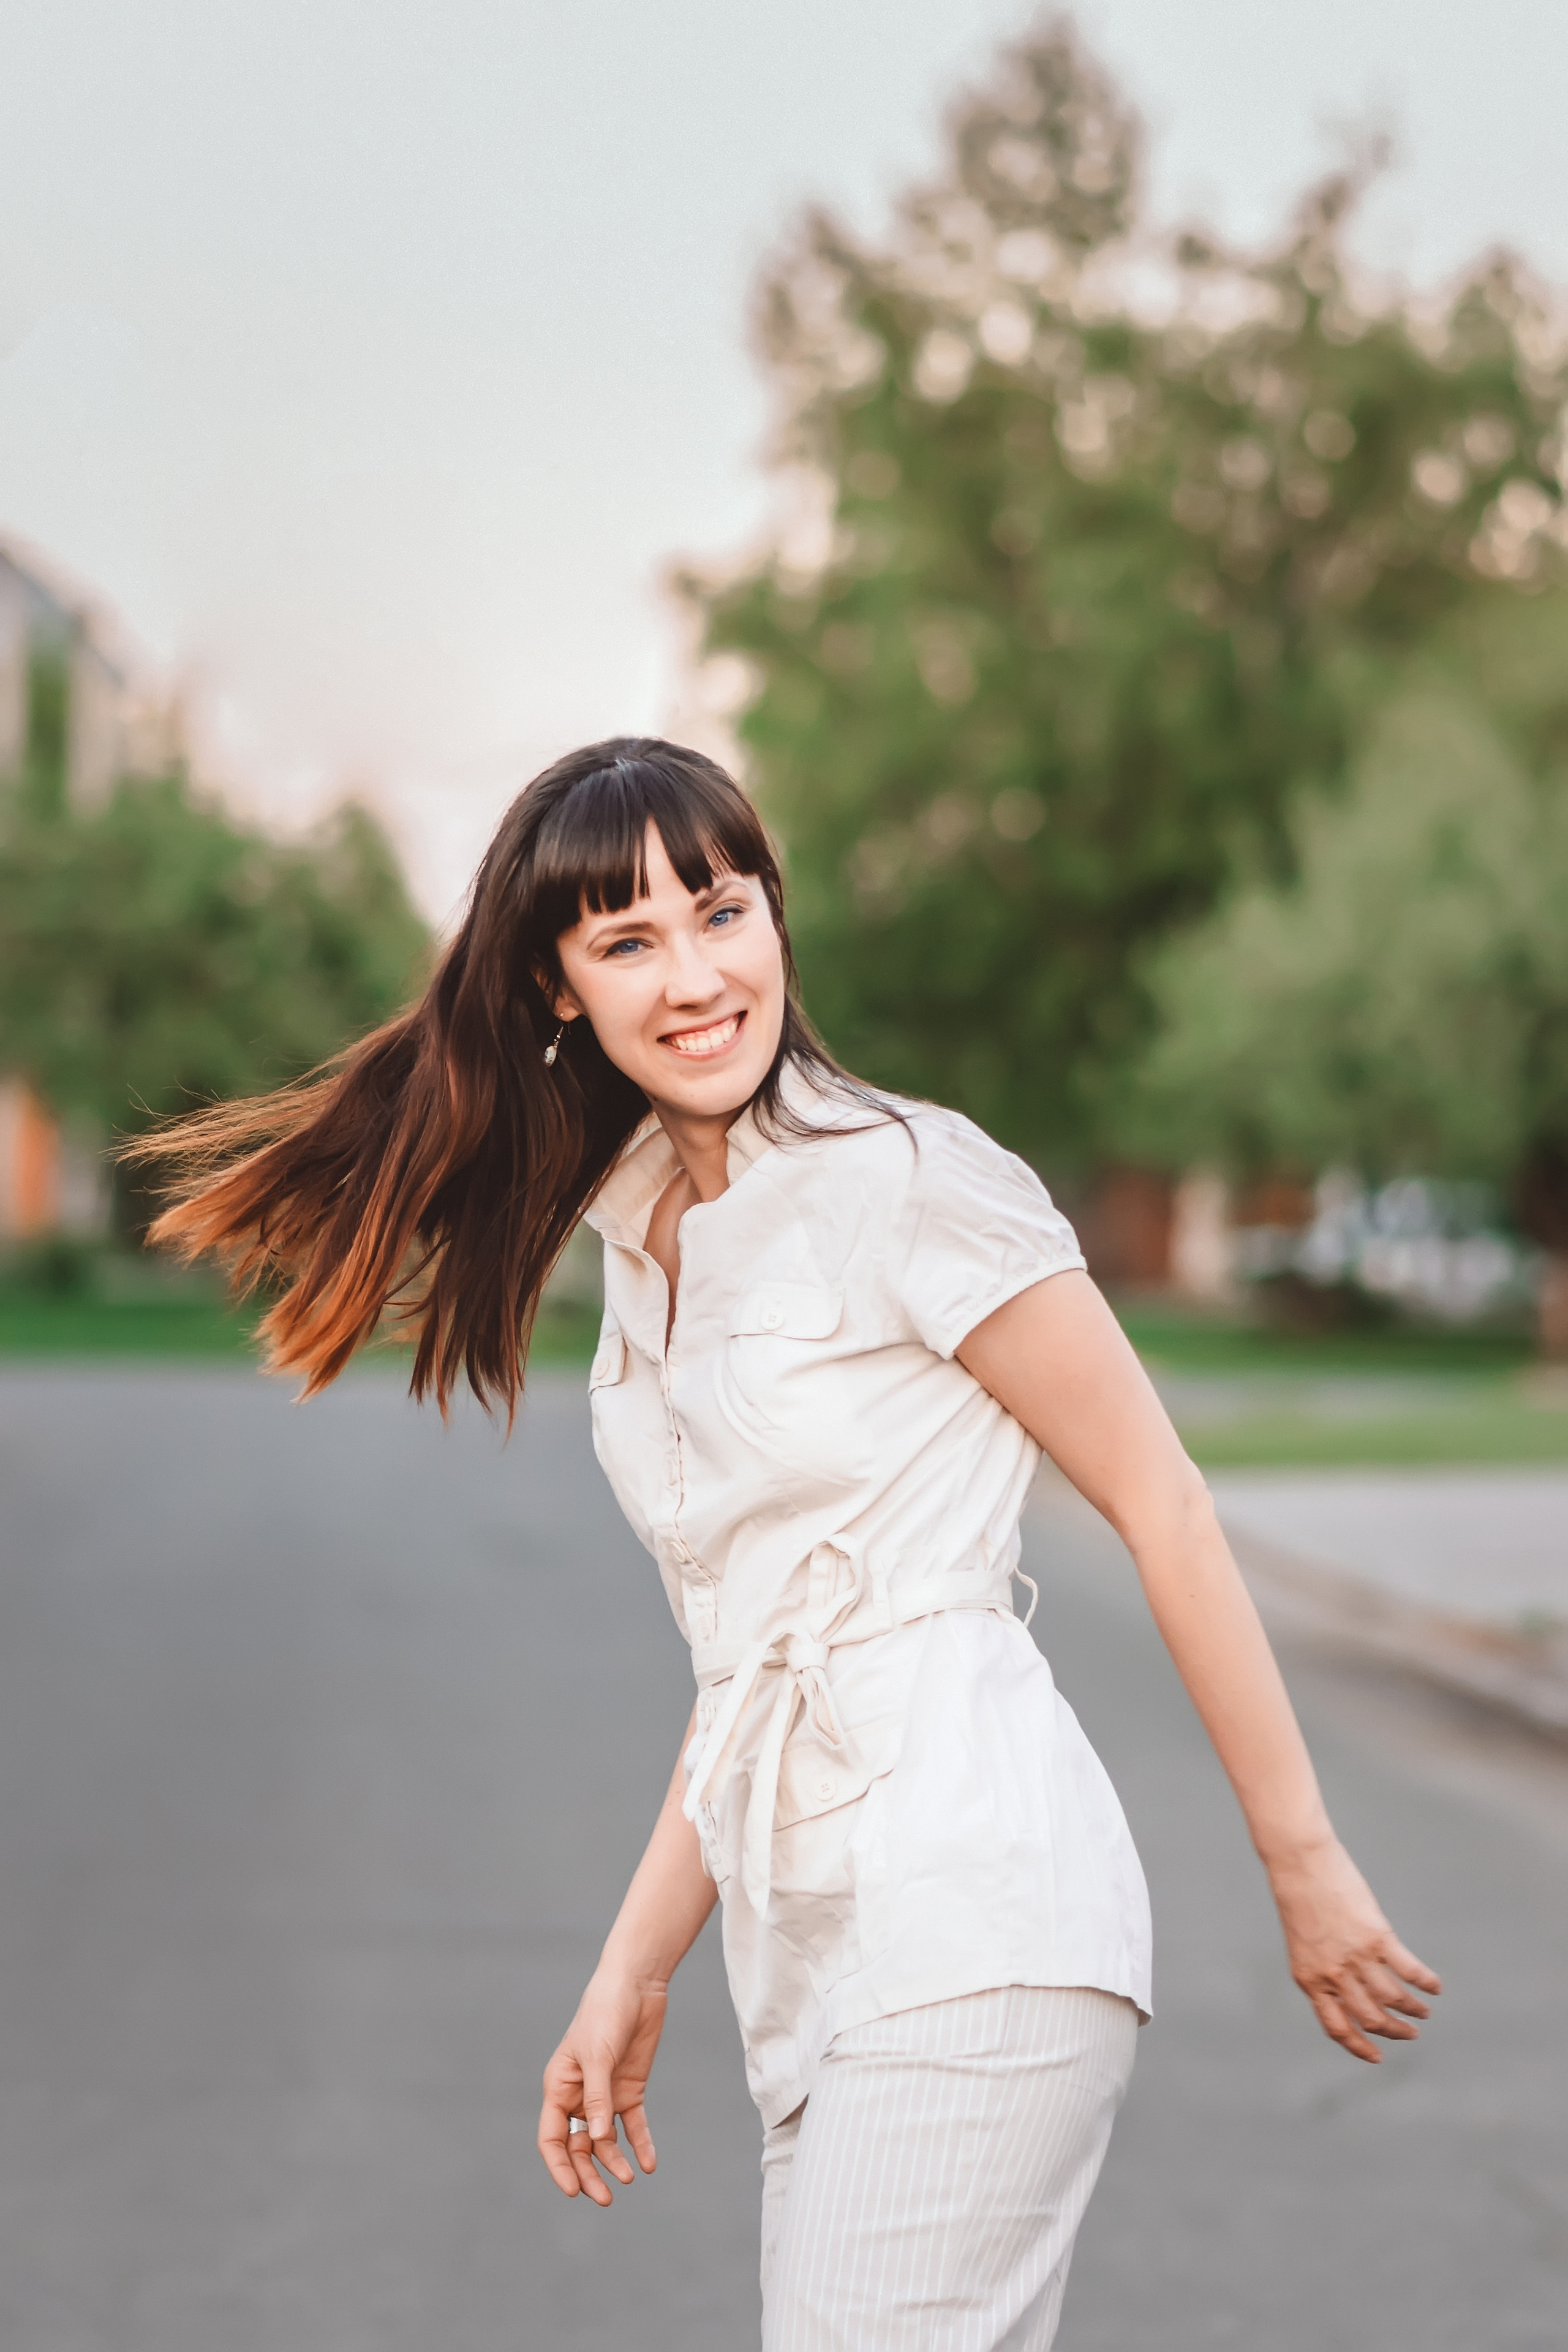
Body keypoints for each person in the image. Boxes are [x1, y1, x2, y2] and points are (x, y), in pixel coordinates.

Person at [134, 738, 1439, 2350]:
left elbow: (1161, 1500)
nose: (693, 973)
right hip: (804, 1953)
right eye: (627, 940)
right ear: (558, 990)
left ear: (774, 919)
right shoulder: (638, 1240)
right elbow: (748, 1665)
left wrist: (1302, 1866)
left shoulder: (912, 1183)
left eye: (720, 910)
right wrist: (633, 1971)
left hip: (978, 1911)